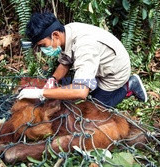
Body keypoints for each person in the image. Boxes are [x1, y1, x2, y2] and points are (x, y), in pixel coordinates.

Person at [17, 13, 147, 107]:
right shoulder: (66, 32)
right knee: (65, 85)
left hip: (114, 73)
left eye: (42, 46)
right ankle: (94, 84)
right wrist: (53, 79)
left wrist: (41, 93)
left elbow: (81, 91)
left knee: (95, 107)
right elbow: (65, 62)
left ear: (55, 35)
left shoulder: (84, 46)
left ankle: (129, 85)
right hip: (98, 64)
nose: (43, 50)